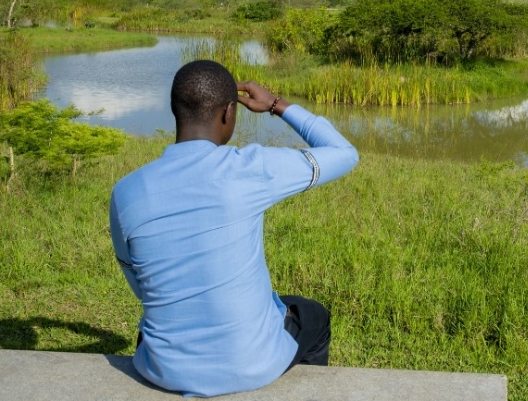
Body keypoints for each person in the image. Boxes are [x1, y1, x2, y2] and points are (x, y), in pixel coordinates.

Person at [109, 59, 358, 397]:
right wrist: (275, 105)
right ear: (229, 113)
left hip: (163, 368)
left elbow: (140, 285)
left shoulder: (126, 191)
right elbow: (344, 153)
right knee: (313, 315)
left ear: (174, 110)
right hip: (250, 364)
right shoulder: (248, 170)